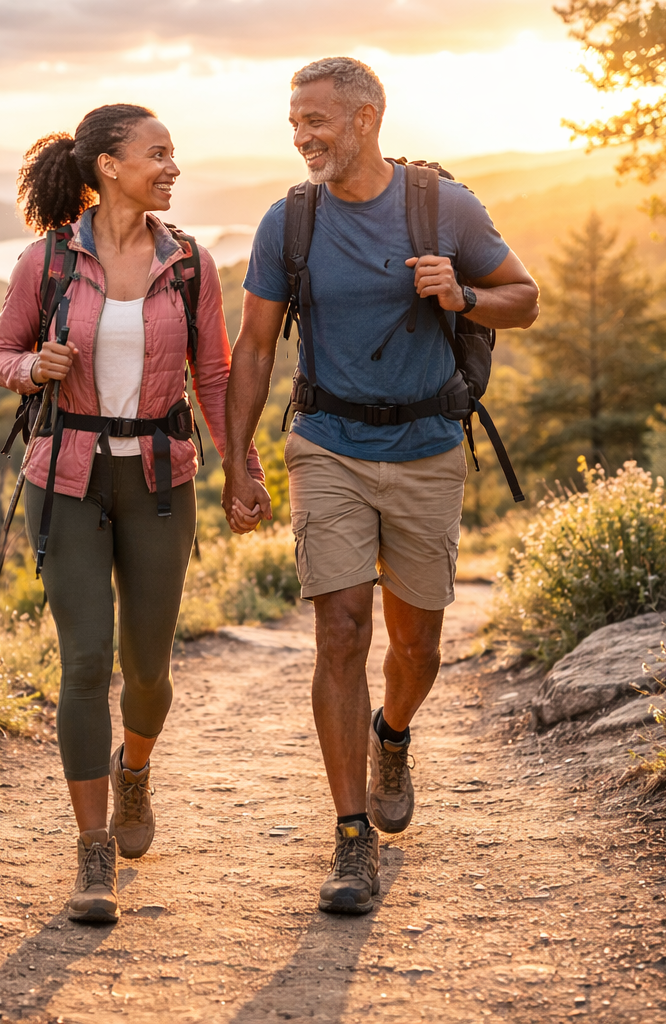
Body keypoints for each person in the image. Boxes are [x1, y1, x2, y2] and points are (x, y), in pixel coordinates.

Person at [220, 58, 540, 914]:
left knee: (418, 646)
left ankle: (391, 734)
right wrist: (236, 455)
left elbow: (525, 298)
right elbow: (253, 347)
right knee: (340, 629)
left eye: (316, 120)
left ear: (366, 119)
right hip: (326, 441)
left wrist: (462, 291)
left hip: (429, 443)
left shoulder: (443, 205)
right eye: (294, 122)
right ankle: (351, 835)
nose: (301, 136)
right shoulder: (287, 221)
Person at [0, 104, 263, 924]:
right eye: (157, 153)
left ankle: (133, 769)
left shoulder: (190, 266)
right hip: (66, 476)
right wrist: (33, 365)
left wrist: (239, 470)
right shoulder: (46, 263)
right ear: (108, 166)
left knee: (147, 669)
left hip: (159, 478)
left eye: (173, 153)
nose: (172, 167)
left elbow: (212, 377)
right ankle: (92, 849)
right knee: (82, 662)